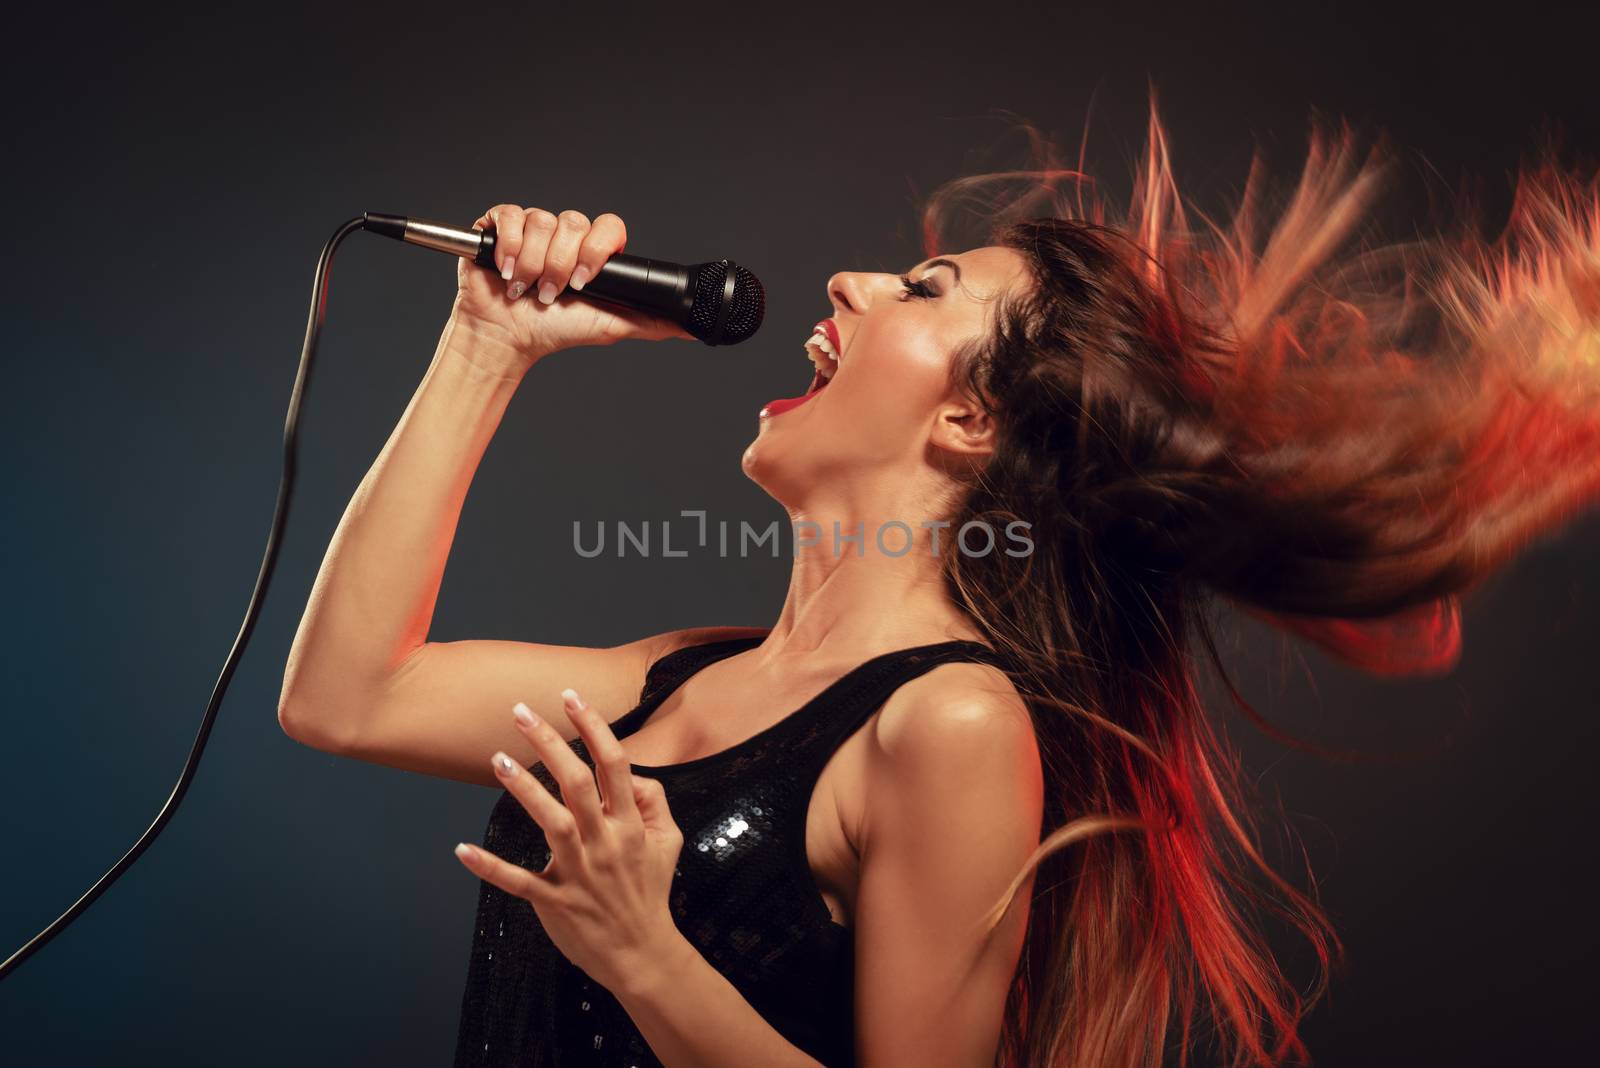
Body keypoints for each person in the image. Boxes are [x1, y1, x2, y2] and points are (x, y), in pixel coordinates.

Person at [276, 104, 1600, 1067]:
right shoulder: (673, 674)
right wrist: (484, 344)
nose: (847, 281)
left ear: (974, 424)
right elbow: (349, 697)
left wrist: (645, 954)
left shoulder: (950, 728)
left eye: (923, 288)